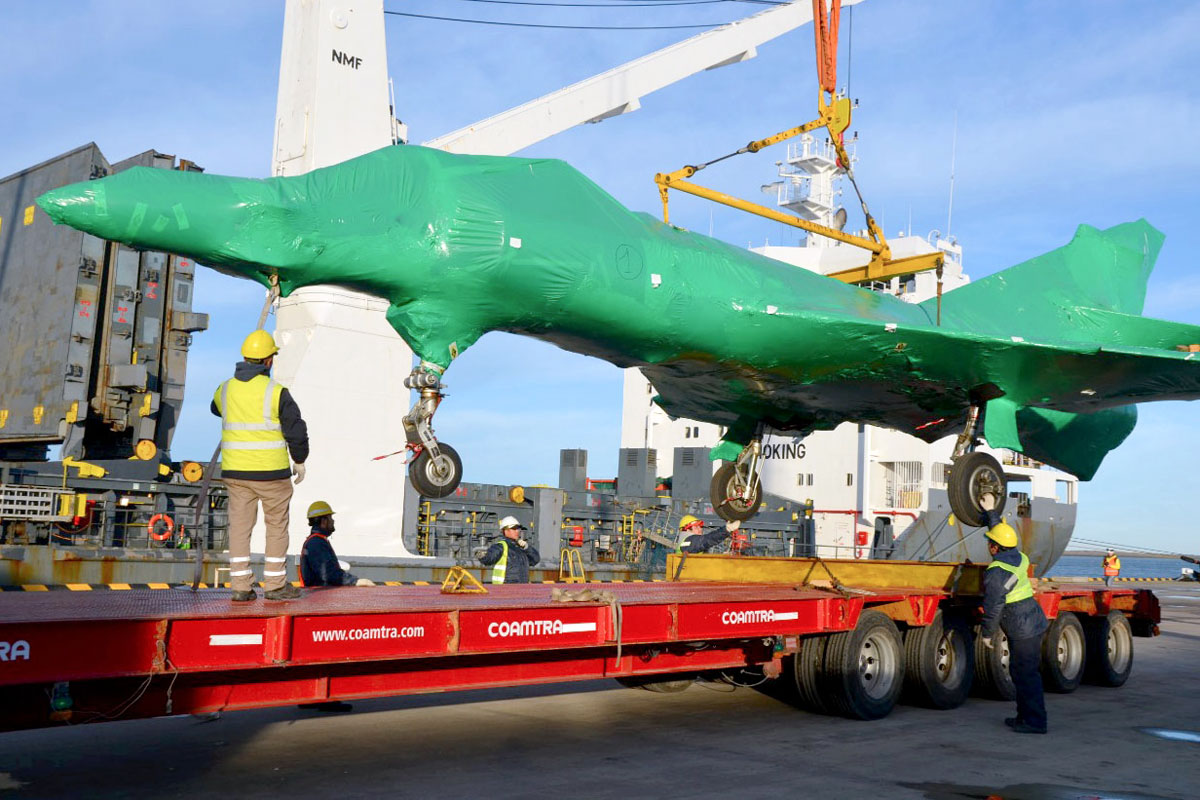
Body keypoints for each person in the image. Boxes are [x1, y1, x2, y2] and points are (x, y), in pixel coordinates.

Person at [211, 330, 308, 602]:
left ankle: (241, 586)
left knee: (240, 528)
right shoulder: (277, 392)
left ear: (245, 357)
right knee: (276, 526)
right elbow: (296, 431)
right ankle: (275, 584)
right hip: (271, 475)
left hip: (235, 474)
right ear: (268, 361)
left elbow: (215, 408)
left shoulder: (225, 389)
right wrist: (299, 461)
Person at [979, 499, 1049, 735]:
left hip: (1022, 625)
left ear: (995, 548)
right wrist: (991, 512)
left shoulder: (998, 572)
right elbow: (1003, 536)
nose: (989, 545)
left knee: (1025, 674)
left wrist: (987, 633)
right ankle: (1024, 717)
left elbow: (994, 605)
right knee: (1022, 673)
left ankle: (1035, 722)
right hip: (1032, 620)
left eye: (990, 543)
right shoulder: (1019, 556)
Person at [300, 501, 375, 587]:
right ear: (324, 521)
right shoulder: (316, 543)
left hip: (318, 595)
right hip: (320, 597)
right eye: (330, 517)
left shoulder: (316, 541)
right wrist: (355, 581)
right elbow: (328, 573)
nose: (333, 521)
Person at [480, 516, 539, 584]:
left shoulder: (521, 548)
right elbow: (488, 559)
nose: (517, 531)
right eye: (514, 528)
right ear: (505, 530)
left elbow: (535, 560)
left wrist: (527, 548)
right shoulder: (500, 547)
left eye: (518, 528)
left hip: (522, 588)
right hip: (505, 588)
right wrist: (482, 555)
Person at [676, 515, 740, 554]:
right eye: (696, 527)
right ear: (687, 530)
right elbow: (707, 540)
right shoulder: (687, 542)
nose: (700, 529)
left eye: (700, 527)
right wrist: (726, 529)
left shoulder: (689, 544)